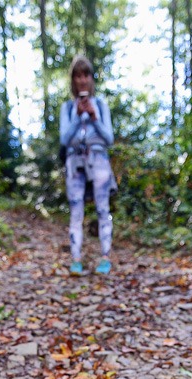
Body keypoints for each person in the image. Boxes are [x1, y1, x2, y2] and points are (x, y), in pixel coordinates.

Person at [59, 55, 116, 275]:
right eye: (78, 76)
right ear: (73, 80)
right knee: (76, 211)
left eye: (86, 75)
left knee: (103, 209)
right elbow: (64, 139)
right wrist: (77, 117)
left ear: (91, 79)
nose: (82, 80)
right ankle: (76, 259)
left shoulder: (101, 105)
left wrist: (94, 117)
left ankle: (105, 257)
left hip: (99, 161)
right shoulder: (67, 108)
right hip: (75, 162)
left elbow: (109, 138)